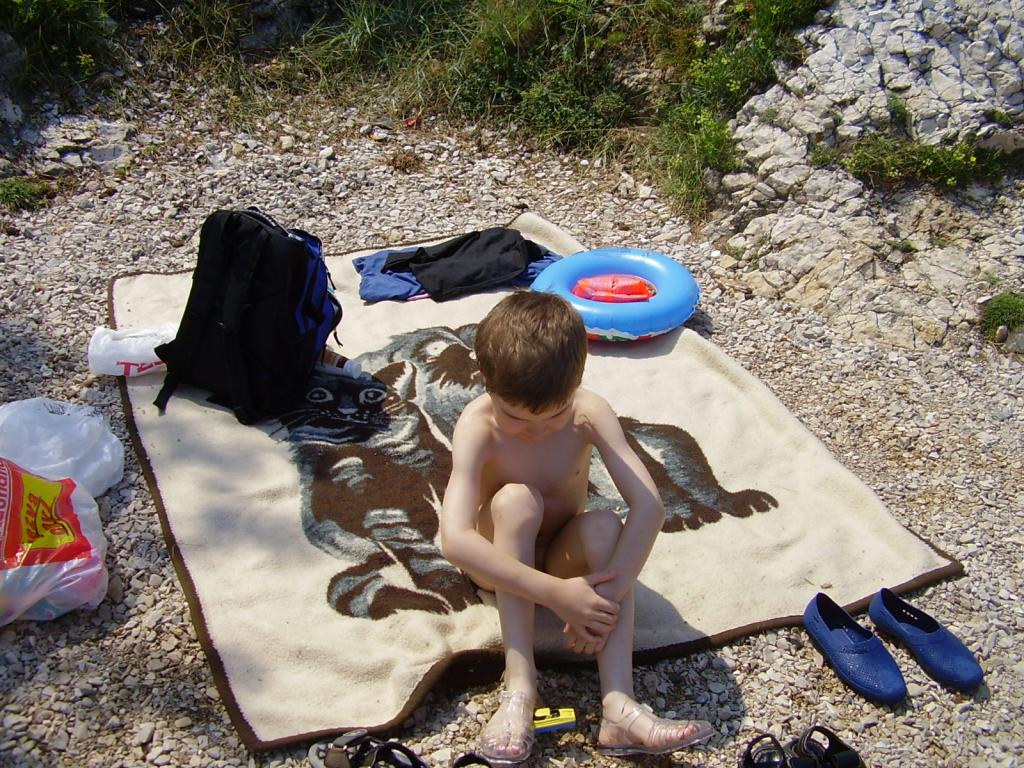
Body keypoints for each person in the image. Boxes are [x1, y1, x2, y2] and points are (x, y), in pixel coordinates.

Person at [440, 291, 714, 765]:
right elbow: (455, 539)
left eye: (553, 416)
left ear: (577, 381)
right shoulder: (477, 424)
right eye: (515, 417)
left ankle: (619, 705)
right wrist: (555, 594)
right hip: (498, 556)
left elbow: (649, 507)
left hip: (560, 553)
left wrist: (601, 605)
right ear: (485, 380)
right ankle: (520, 688)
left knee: (605, 526)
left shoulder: (589, 411)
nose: (535, 430)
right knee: (516, 500)